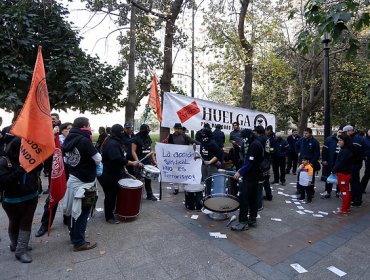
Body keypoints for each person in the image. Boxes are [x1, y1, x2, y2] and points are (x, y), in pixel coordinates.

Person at [62, 117, 101, 251]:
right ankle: (79, 242)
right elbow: (98, 158)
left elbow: (67, 160)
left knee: (73, 211)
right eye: (89, 125)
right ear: (85, 126)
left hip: (73, 179)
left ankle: (74, 236)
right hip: (86, 183)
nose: (90, 127)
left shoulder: (68, 139)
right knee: (83, 212)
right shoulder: (84, 140)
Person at [0, 137, 42, 263]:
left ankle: (21, 249)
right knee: (14, 222)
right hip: (12, 200)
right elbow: (3, 183)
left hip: (31, 196)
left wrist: (37, 162)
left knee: (26, 222)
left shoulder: (30, 158)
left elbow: (38, 171)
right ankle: (16, 246)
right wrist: (20, 169)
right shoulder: (3, 161)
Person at [98, 124, 143, 224]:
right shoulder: (112, 144)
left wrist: (124, 169)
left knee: (113, 194)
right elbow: (117, 159)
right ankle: (109, 217)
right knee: (111, 195)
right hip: (108, 174)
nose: (123, 133)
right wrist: (132, 163)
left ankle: (114, 211)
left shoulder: (113, 141)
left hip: (112, 172)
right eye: (122, 131)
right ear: (119, 132)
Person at [35, 116, 63, 238]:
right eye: (50, 118)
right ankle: (45, 225)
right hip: (52, 171)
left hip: (65, 170)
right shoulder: (44, 131)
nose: (52, 120)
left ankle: (68, 219)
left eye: (54, 118)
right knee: (52, 200)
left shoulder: (63, 131)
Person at [231, 129, 264, 231]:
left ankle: (243, 222)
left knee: (244, 197)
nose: (242, 140)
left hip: (251, 175)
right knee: (252, 197)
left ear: (247, 137)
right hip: (255, 174)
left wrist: (239, 172)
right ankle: (253, 218)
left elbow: (250, 162)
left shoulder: (254, 145)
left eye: (243, 138)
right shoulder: (255, 142)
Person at [166, 123, 199, 194]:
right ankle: (176, 188)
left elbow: (193, 141)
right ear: (174, 129)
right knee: (175, 173)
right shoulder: (171, 137)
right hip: (175, 159)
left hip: (184, 159)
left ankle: (185, 187)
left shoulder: (185, 136)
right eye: (176, 129)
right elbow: (169, 146)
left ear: (181, 129)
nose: (177, 130)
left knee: (185, 172)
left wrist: (198, 144)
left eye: (179, 129)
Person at [131, 124, 158, 201]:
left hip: (148, 162)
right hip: (139, 162)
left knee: (148, 179)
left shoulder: (148, 138)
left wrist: (154, 160)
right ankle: (135, 196)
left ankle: (149, 195)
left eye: (148, 131)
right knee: (137, 179)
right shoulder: (136, 139)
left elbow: (150, 151)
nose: (147, 132)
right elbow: (133, 151)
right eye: (146, 131)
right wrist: (137, 161)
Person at [342, 125, 365, 207]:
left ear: (350, 131)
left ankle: (357, 200)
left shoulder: (356, 139)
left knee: (354, 182)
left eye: (345, 132)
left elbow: (354, 152)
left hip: (355, 163)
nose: (345, 134)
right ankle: (355, 198)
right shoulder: (355, 138)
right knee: (354, 181)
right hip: (355, 162)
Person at [332, 134, 353, 214]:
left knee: (344, 191)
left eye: (341, 140)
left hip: (344, 173)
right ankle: (346, 208)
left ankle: (344, 209)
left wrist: (334, 170)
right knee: (346, 190)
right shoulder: (346, 149)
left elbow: (341, 162)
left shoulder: (345, 151)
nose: (339, 142)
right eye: (338, 140)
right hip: (345, 172)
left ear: (345, 141)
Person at [295, 128, 320, 194]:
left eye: (306, 133)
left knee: (310, 177)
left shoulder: (315, 142)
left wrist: (312, 163)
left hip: (310, 162)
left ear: (310, 133)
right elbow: (296, 145)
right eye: (304, 133)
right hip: (302, 162)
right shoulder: (301, 140)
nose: (305, 135)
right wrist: (298, 152)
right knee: (300, 175)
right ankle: (299, 189)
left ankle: (311, 191)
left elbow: (317, 154)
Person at [320, 128, 342, 199]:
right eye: (340, 132)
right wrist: (324, 160)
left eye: (342, 132)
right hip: (330, 161)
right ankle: (327, 191)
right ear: (337, 132)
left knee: (340, 177)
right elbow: (324, 150)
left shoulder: (345, 140)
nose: (340, 134)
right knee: (329, 177)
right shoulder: (329, 139)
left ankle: (338, 192)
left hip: (340, 163)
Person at [254, 126, 273, 201]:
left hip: (260, 162)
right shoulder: (267, 139)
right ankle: (269, 195)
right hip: (267, 161)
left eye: (255, 131)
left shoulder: (258, 140)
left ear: (258, 132)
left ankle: (258, 196)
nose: (254, 132)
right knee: (266, 179)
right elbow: (269, 150)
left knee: (259, 179)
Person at [361, 129, 370, 193]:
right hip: (368, 158)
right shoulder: (364, 139)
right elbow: (362, 148)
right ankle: (361, 188)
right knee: (367, 174)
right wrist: (364, 156)